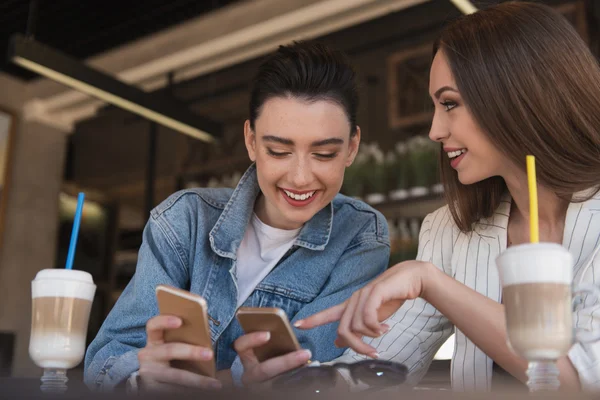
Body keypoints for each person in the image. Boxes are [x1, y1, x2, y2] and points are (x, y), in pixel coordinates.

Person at [238, 2, 600, 392]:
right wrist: (296, 382)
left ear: (517, 94)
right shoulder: (448, 231)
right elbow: (381, 365)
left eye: (449, 103)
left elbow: (580, 380)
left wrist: (433, 283)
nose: (434, 130)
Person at [83, 41, 390, 392]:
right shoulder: (184, 220)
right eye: (279, 151)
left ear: (351, 147)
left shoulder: (361, 235)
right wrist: (139, 378)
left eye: (323, 154)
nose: (301, 177)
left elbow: (303, 364)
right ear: (251, 141)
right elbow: (106, 358)